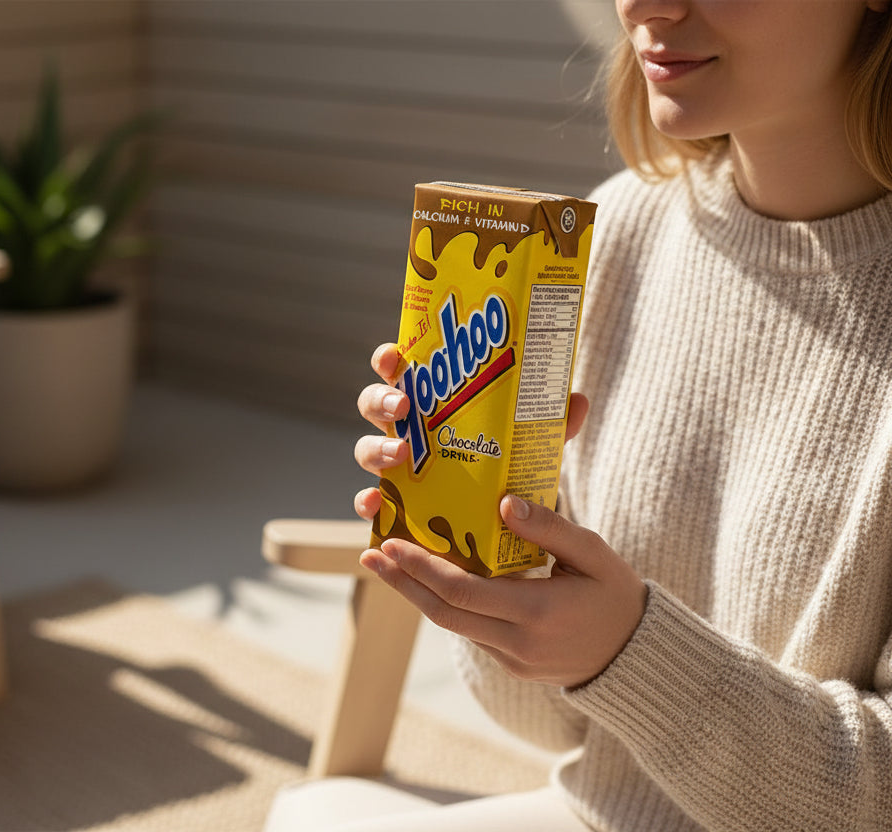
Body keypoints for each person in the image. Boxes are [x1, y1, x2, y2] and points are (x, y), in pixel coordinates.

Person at [348, 1, 892, 830]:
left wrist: (627, 651)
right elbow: (551, 729)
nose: (648, 3)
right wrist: (493, 558)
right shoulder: (619, 235)